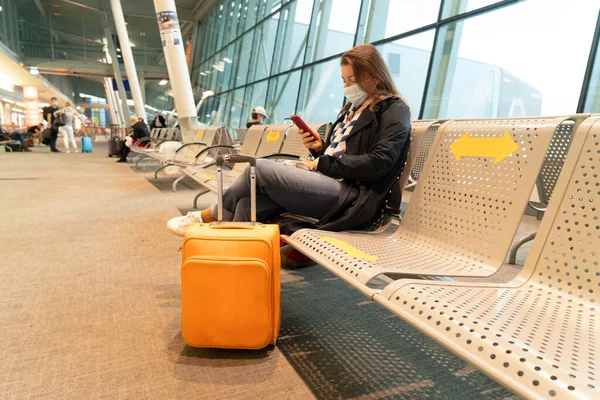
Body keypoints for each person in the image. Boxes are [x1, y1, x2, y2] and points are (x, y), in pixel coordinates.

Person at [167, 43, 411, 238]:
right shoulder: (352, 109)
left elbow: (379, 163)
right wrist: (319, 150)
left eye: (352, 80)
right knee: (247, 203)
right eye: (344, 80)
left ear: (375, 78)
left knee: (258, 168)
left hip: (354, 197)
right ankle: (233, 270)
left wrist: (320, 164)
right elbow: (340, 156)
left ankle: (207, 216)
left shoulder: (393, 109)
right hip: (330, 184)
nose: (346, 86)